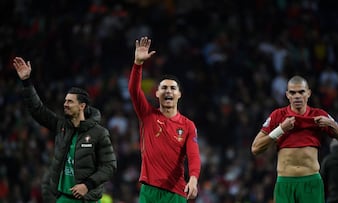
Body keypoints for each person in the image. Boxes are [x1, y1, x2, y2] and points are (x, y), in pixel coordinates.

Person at [13, 57, 117, 203]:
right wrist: (26, 82)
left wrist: (87, 185)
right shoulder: (62, 126)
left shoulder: (99, 133)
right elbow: (37, 110)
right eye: (65, 101)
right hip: (63, 198)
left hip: (87, 200)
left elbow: (109, 166)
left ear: (82, 106)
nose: (65, 104)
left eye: (70, 101)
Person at [251, 75, 338, 203]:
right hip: (285, 182)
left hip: (311, 182)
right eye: (293, 92)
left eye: (301, 92)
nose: (297, 96)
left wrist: (331, 124)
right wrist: (280, 129)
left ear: (308, 93)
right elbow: (255, 148)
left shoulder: (319, 115)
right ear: (287, 95)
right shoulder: (277, 115)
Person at [128, 36, 201, 203]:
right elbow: (134, 90)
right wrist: (138, 64)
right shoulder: (147, 115)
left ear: (179, 94)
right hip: (149, 191)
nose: (168, 91)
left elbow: (194, 156)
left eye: (173, 88)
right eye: (164, 88)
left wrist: (194, 179)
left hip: (175, 193)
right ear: (157, 93)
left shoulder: (188, 125)